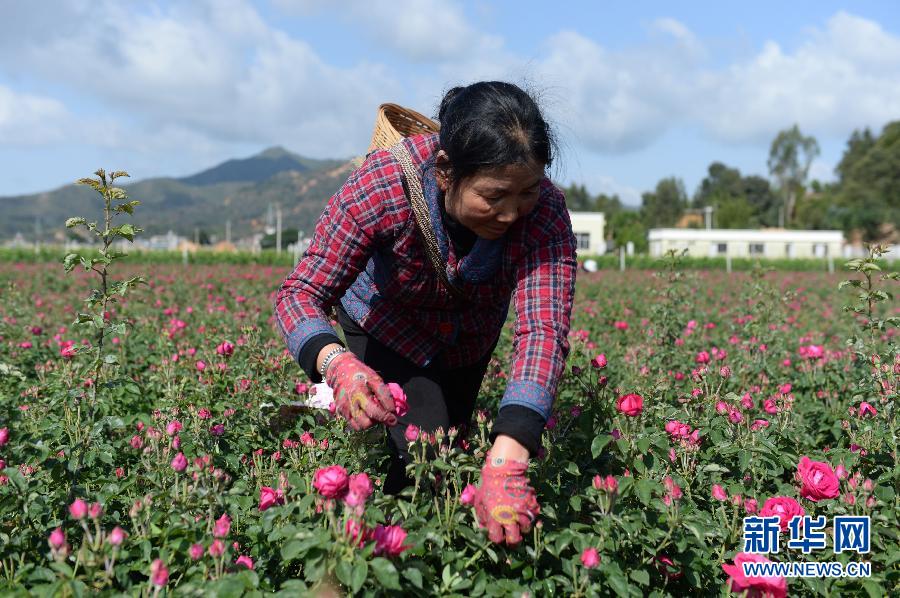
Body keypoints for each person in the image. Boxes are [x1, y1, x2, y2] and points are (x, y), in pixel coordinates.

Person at [274, 81, 577, 546]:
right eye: (494, 196)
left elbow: (543, 330)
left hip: (467, 337)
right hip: (385, 322)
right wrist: (339, 366)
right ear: (444, 172)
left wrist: (510, 456)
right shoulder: (384, 186)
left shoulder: (547, 215)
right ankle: (377, 555)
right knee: (417, 462)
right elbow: (300, 293)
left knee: (451, 454)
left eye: (527, 192)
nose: (512, 213)